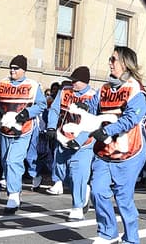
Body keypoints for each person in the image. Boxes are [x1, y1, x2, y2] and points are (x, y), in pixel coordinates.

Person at [87, 46, 146, 244]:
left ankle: (131, 239)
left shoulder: (135, 89)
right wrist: (82, 106)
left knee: (123, 199)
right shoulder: (104, 88)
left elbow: (131, 119)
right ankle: (108, 233)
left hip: (129, 153)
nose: (110, 63)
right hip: (104, 152)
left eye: (113, 59)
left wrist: (106, 131)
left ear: (125, 62)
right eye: (110, 59)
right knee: (97, 191)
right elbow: (94, 106)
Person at [0, 54, 45, 213]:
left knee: (13, 161)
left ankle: (13, 196)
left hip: (23, 130)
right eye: (11, 67)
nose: (12, 70)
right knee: (5, 162)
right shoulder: (1, 84)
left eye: (16, 68)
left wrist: (28, 113)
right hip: (5, 130)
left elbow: (41, 104)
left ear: (23, 70)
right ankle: (14, 189)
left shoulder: (33, 85)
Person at [45, 65, 98, 219]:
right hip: (63, 138)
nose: (73, 83)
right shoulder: (65, 91)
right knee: (61, 171)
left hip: (84, 142)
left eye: (76, 81)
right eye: (72, 80)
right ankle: (83, 190)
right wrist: (50, 127)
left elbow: (93, 122)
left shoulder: (93, 96)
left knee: (78, 173)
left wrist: (79, 141)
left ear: (84, 81)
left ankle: (77, 207)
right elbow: (55, 109)